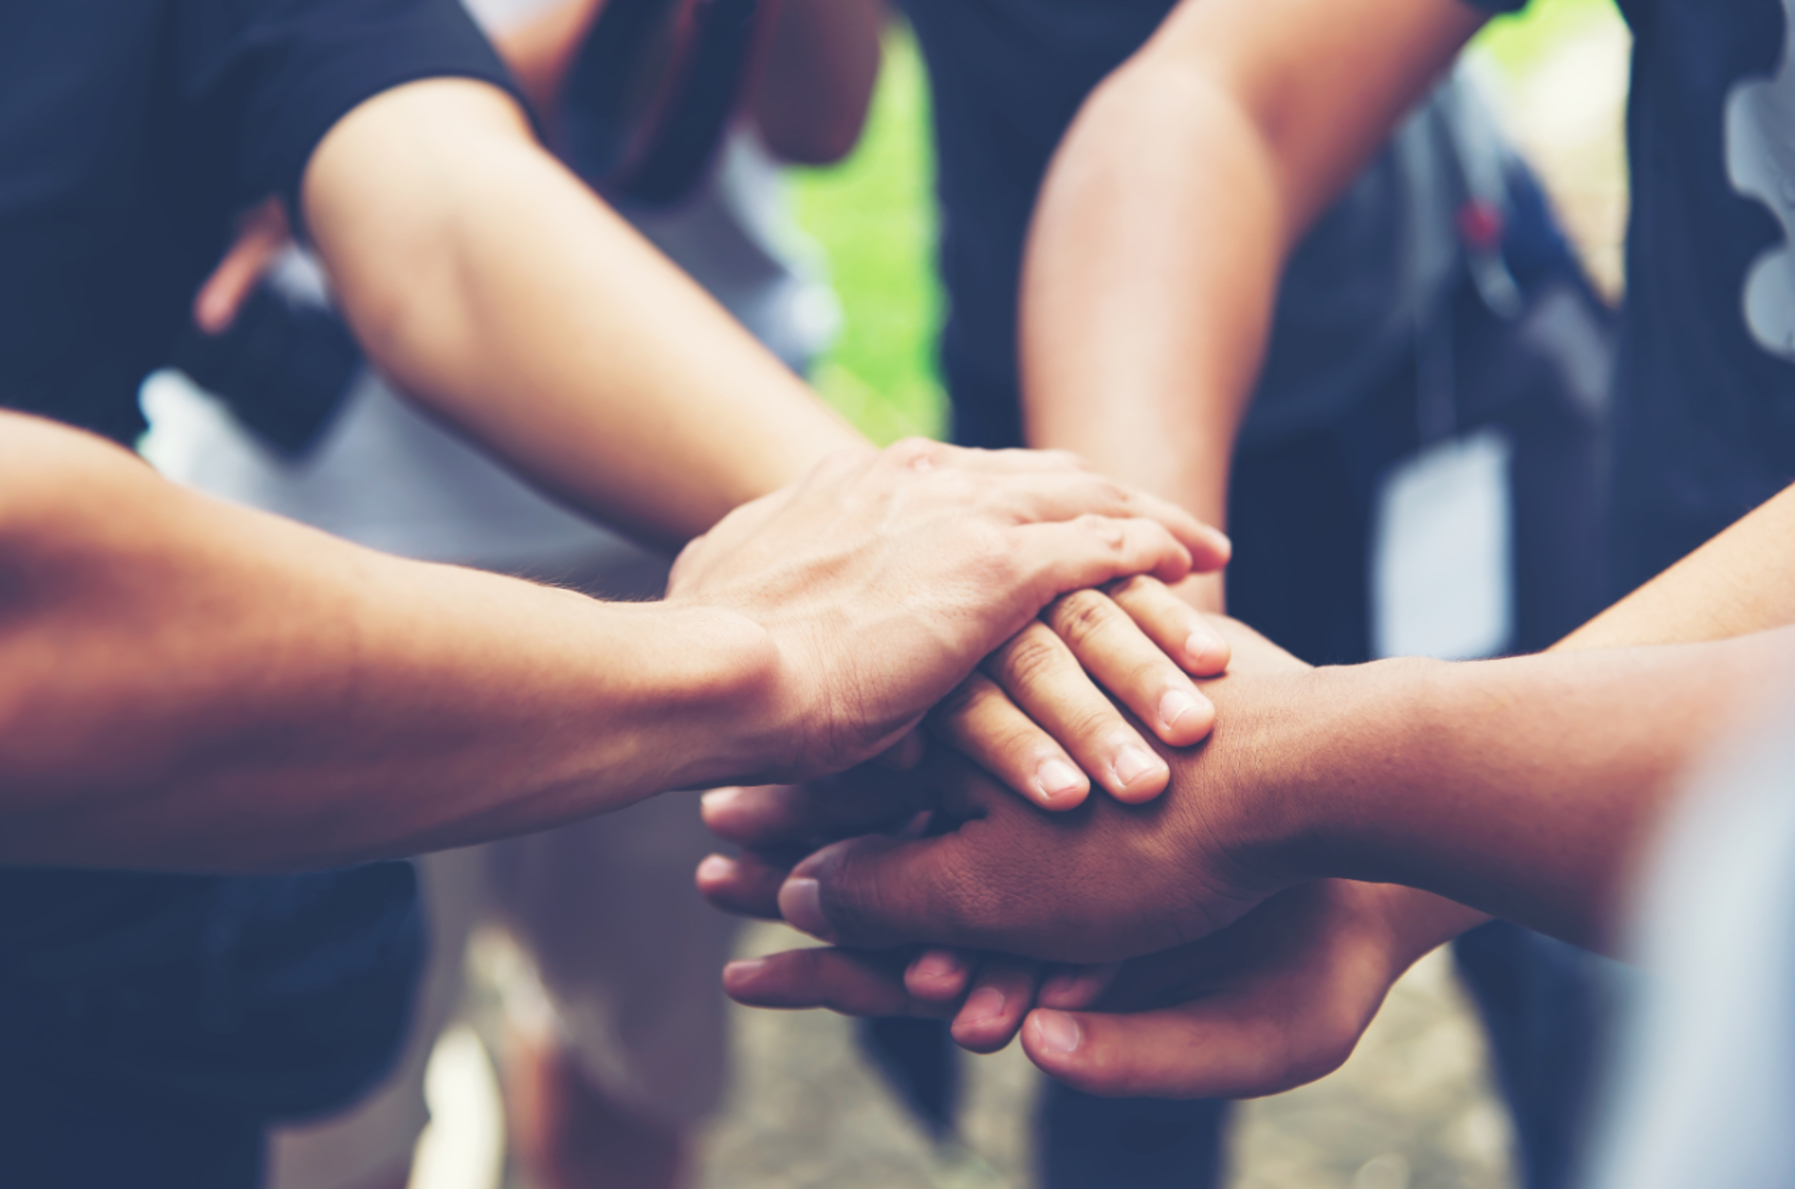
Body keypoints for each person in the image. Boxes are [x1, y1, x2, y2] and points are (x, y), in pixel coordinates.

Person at [0, 0, 1232, 1181]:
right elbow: (38, 612)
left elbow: (437, 202)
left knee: (612, 1070)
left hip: (121, 996)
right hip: (266, 629)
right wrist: (762, 663)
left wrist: (936, 570)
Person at [705, 0, 1795, 1153]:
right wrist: (1139, 659)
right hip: (1673, 686)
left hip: (1447, 393)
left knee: (1578, 1026)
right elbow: (1222, 94)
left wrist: (1302, 781)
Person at [866, 0, 1617, 1181]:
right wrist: (1152, 650)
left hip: (1434, 371)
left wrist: (1273, 761)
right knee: (1124, 991)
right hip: (1070, 439)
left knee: (1585, 985)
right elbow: (1207, 104)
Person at [140, 0, 884, 1184]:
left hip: (680, 524)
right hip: (310, 538)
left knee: (631, 1065)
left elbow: (819, 115)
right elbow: (326, 126)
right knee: (322, 1118)